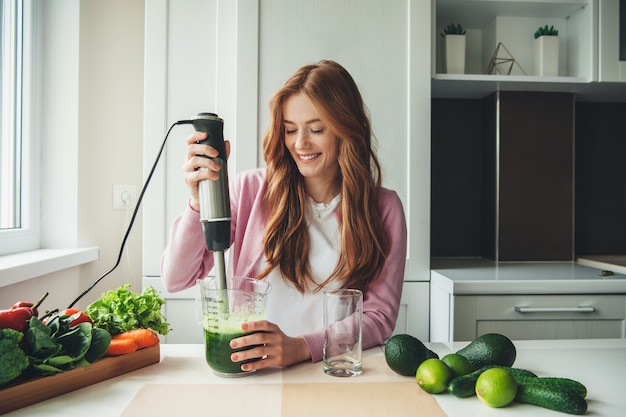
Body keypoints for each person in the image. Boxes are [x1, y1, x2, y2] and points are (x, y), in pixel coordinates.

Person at [161, 59, 407, 371]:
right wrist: (199, 204)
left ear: (346, 130)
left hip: (334, 368)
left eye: (316, 129)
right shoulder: (250, 190)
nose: (300, 143)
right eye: (290, 130)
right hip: (255, 368)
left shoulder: (384, 208)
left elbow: (379, 316)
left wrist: (302, 347)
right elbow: (175, 278)